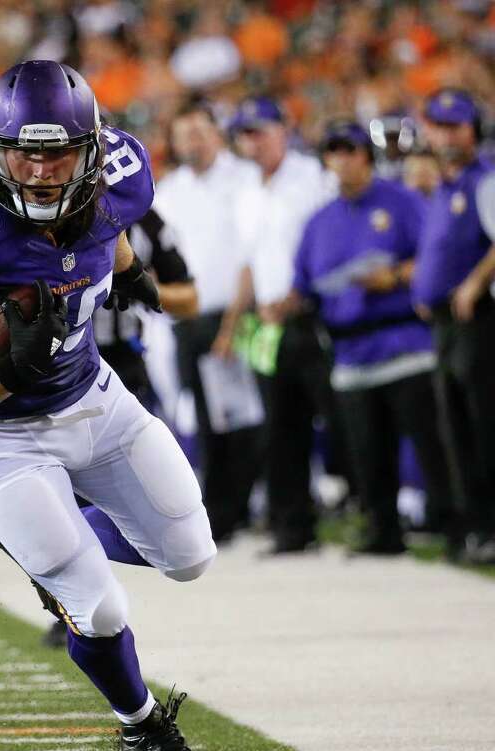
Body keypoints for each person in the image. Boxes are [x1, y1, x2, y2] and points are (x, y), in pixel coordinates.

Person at [0, 60, 214, 751]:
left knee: (193, 554)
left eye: (60, 153)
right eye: (24, 153)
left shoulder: (120, 176)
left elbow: (113, 220)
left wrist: (129, 270)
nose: (42, 171)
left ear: (93, 152)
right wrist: (7, 368)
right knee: (98, 610)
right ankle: (142, 730)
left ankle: (50, 548)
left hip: (91, 395)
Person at [290, 120, 459, 554]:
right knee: (368, 454)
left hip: (405, 344)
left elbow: (436, 256)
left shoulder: (402, 202)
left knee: (433, 448)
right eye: (336, 152)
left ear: (367, 156)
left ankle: (455, 528)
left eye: (352, 151)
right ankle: (383, 532)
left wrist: (397, 275)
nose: (344, 160)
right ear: (327, 159)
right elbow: (305, 284)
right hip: (350, 352)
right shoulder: (319, 221)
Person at [42, 205, 198, 648]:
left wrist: (132, 284)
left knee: (129, 495)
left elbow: (189, 299)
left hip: (121, 370)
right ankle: (73, 602)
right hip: (53, 376)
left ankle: (67, 563)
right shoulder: (27, 213)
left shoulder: (144, 222)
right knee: (55, 489)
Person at [231, 96, 340, 554]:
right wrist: (238, 320)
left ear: (284, 129)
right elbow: (250, 264)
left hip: (315, 316)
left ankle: (373, 510)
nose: (255, 141)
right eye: (247, 133)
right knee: (280, 427)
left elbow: (332, 244)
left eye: (262, 131)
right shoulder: (247, 192)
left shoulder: (315, 179)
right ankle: (292, 526)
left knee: (340, 419)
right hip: (268, 323)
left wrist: (298, 295)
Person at [155, 101, 265, 544]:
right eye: (185, 135)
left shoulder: (244, 179)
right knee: (209, 421)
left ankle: (249, 504)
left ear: (217, 134)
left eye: (200, 132)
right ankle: (221, 511)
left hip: (240, 313)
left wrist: (235, 322)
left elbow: (252, 254)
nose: (193, 142)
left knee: (254, 418)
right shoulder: (170, 191)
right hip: (191, 319)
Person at [411, 88, 495, 561]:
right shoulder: (446, 185)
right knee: (456, 427)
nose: (444, 135)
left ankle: (487, 526)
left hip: (477, 320)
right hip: (445, 322)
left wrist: (473, 284)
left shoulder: (484, 180)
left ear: (472, 130)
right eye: (436, 126)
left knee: (481, 426)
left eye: (453, 126)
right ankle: (473, 526)